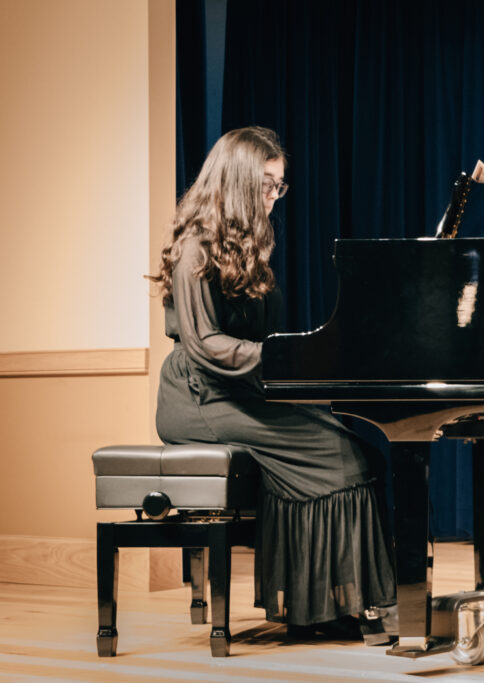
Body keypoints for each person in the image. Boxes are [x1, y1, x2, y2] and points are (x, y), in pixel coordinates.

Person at [148, 126, 396, 643]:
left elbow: (260, 338)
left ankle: (325, 604)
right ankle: (335, 607)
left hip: (238, 390)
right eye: (266, 184)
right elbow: (205, 344)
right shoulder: (195, 247)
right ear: (237, 180)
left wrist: (298, 363)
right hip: (199, 397)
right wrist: (280, 357)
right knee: (338, 454)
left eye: (278, 187)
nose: (272, 197)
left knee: (358, 448)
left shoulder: (245, 245)